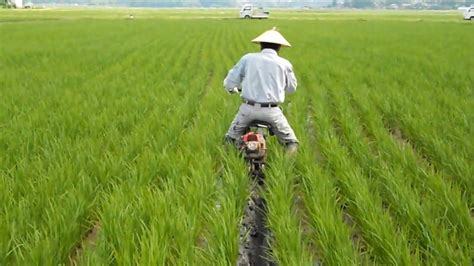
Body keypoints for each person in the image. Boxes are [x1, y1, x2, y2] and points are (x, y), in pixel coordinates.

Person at [223, 27, 299, 154]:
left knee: (230, 139)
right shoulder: (284, 63)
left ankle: (229, 164)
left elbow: (231, 80)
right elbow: (291, 88)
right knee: (291, 143)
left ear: (261, 45)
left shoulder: (248, 58)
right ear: (279, 47)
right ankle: (283, 169)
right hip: (272, 112)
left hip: (247, 110)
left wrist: (231, 88)